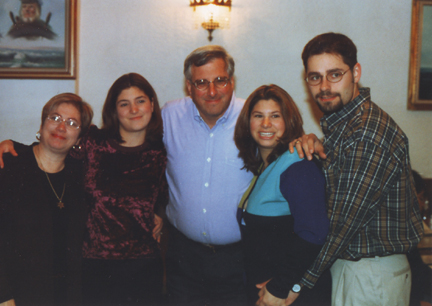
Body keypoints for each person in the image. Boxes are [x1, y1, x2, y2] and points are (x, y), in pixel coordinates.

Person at [0, 73, 168, 306]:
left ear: (151, 103)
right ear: (114, 110)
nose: (133, 109)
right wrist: (12, 147)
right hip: (94, 269)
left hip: (143, 268)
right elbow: (52, 148)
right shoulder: (94, 144)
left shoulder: (161, 151)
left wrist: (160, 210)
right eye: (124, 103)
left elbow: (171, 187)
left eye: (140, 100)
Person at [288, 32, 424, 306]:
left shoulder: (366, 133)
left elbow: (342, 224)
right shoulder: (345, 126)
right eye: (315, 77)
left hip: (370, 276)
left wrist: (295, 285)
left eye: (334, 74)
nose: (324, 86)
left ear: (356, 73)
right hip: (360, 271)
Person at [162, 45, 253, 305]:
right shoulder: (169, 116)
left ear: (231, 82)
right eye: (201, 83)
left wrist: (309, 140)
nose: (212, 92)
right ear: (189, 87)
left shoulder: (254, 117)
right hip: (183, 259)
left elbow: (287, 147)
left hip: (238, 261)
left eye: (220, 81)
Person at [234, 84, 331, 306]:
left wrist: (280, 285)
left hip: (288, 296)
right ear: (248, 123)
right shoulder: (267, 167)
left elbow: (314, 232)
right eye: (258, 115)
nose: (266, 124)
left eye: (275, 116)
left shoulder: (298, 166)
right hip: (268, 293)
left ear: (289, 121)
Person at [0, 93, 93, 306]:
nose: (61, 128)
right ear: (42, 124)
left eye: (72, 123)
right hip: (14, 296)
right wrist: (3, 295)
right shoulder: (9, 165)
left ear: (79, 138)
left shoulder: (83, 176)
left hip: (67, 296)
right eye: (55, 118)